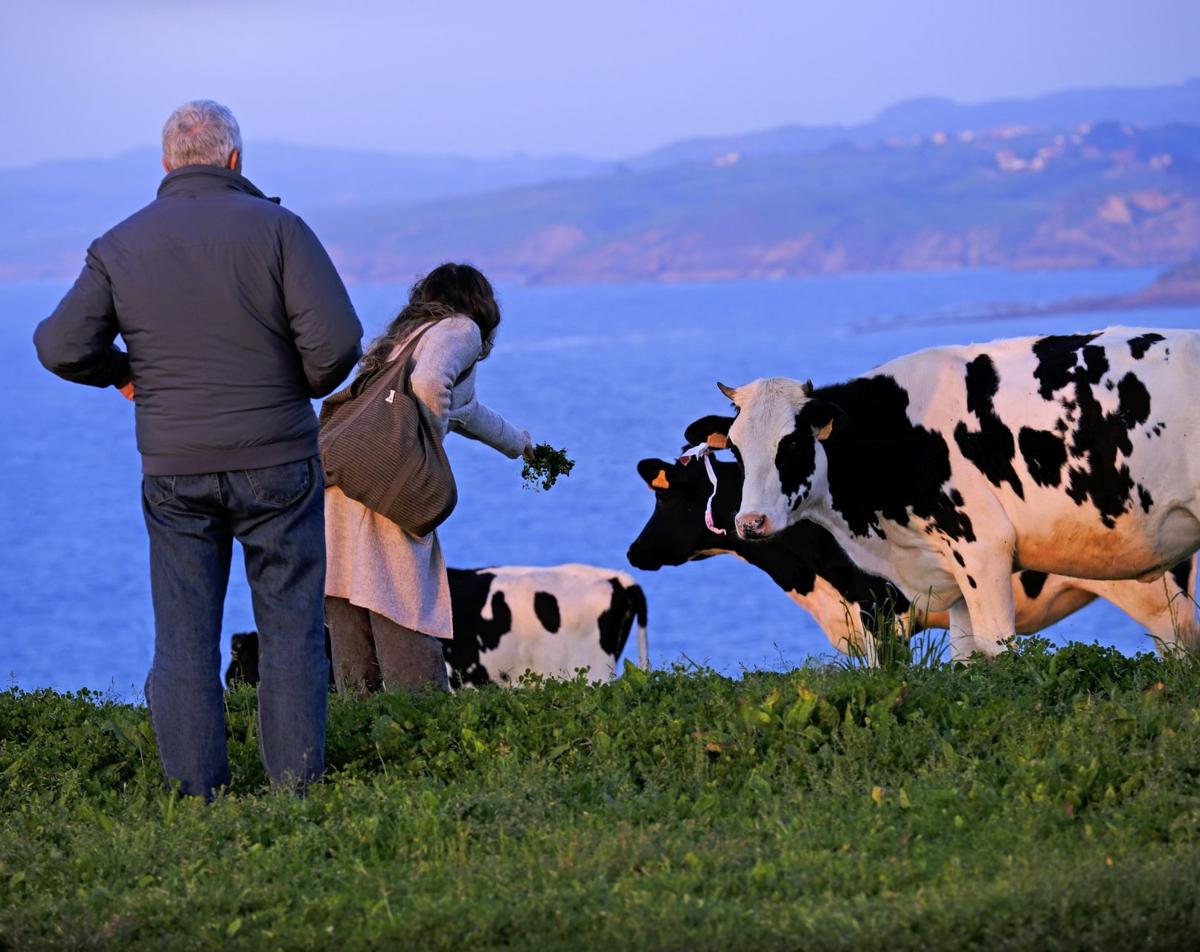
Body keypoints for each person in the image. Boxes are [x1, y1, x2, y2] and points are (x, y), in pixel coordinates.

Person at [33, 100, 363, 799]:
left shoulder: (120, 245)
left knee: (184, 638)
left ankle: (196, 802)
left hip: (175, 471)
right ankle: (296, 794)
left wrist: (122, 372)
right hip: (277, 461)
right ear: (235, 159)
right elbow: (336, 347)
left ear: (165, 165)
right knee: (291, 631)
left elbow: (59, 345)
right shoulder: (281, 230)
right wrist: (290, 385)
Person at [324, 263, 533, 694]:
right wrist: (423, 447)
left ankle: (364, 725)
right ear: (480, 304)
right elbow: (429, 384)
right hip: (391, 481)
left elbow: (466, 410)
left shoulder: (401, 339)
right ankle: (423, 724)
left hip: (345, 484)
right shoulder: (461, 328)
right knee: (403, 599)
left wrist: (520, 445)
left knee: (349, 597)